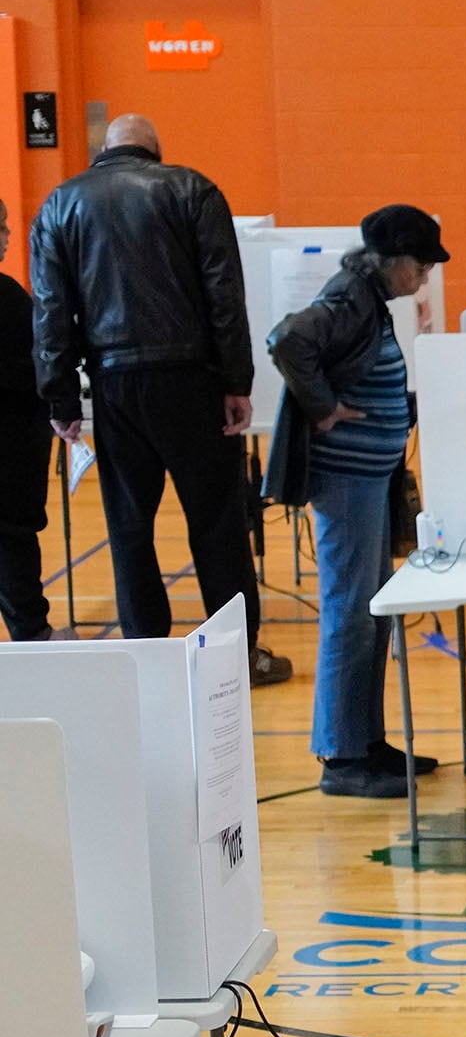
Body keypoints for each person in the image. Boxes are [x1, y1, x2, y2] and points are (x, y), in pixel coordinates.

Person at [29, 115, 284, 677]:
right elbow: (224, 292)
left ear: (107, 151)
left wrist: (61, 399)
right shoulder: (193, 189)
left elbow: (51, 310)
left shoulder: (59, 205)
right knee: (217, 521)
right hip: (191, 378)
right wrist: (235, 383)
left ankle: (146, 654)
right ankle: (236, 656)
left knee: (128, 523)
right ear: (154, 152)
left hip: (114, 383)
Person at [264, 206, 448, 797]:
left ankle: (366, 742)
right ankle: (342, 761)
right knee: (350, 613)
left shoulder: (368, 298)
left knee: (375, 613)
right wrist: (323, 408)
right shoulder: (349, 295)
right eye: (419, 266)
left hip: (367, 480)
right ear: (392, 261)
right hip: (346, 481)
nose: (423, 278)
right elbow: (287, 340)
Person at [1, 201, 53, 641]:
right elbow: (36, 372)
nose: (7, 238)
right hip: (10, 464)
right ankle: (33, 640)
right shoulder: (10, 301)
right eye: (1, 229)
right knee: (15, 558)